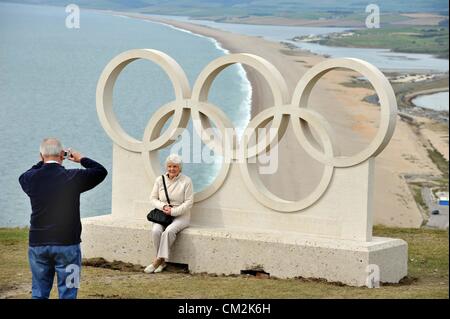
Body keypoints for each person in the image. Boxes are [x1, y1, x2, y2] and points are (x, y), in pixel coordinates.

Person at [18, 138, 108, 299]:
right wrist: (81, 159)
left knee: (39, 292)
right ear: (62, 154)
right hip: (68, 244)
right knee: (69, 292)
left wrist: (42, 162)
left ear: (41, 156)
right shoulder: (72, 177)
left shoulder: (30, 179)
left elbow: (23, 175)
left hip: (38, 243)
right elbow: (100, 171)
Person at [145, 154, 194, 274]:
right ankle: (162, 262)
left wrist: (173, 211)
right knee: (156, 231)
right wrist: (163, 206)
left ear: (180, 168)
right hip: (163, 215)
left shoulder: (186, 181)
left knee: (169, 232)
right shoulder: (160, 180)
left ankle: (158, 261)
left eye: (175, 166)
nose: (172, 169)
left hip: (181, 215)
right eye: (170, 166)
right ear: (166, 167)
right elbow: (152, 198)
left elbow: (189, 203)